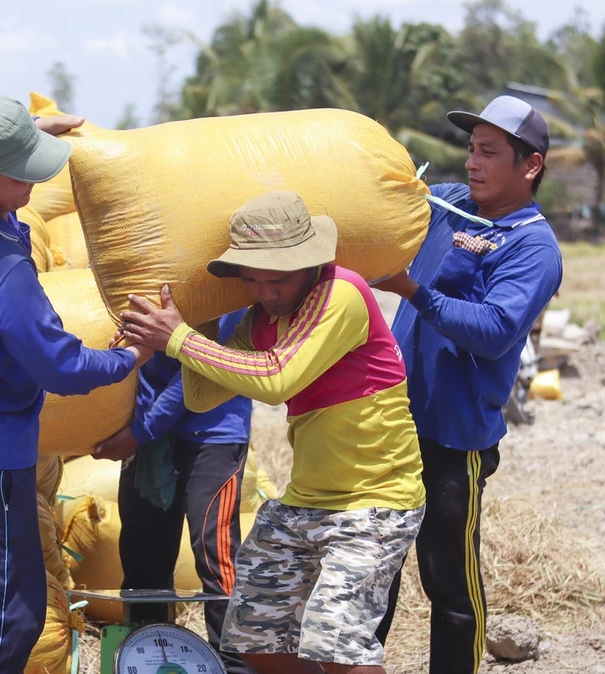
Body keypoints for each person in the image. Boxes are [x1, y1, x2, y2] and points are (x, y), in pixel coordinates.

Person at [118, 191, 426, 674]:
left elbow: (276, 379)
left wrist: (179, 339)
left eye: (278, 280)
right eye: (252, 280)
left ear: (309, 264)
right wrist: (195, 324)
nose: (265, 292)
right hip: (309, 497)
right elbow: (201, 397)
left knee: (335, 641)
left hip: (376, 499)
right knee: (255, 635)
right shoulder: (261, 318)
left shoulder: (340, 293)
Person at [0, 94, 153, 673]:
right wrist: (130, 357)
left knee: (3, 600)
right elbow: (60, 367)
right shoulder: (0, 272)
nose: (33, 187)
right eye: (21, 176)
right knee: (8, 615)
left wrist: (27, 129)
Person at [374, 95, 563, 674]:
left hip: (456, 439)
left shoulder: (533, 245)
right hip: (391, 423)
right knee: (372, 568)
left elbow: (496, 329)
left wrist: (413, 291)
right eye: (471, 149)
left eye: (489, 152)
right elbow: (386, 200)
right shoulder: (450, 203)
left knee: (448, 581)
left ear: (529, 166)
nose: (472, 163)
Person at [94, 309, 254, 674]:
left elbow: (200, 366)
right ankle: (141, 663)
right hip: (147, 431)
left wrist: (139, 432)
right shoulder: (143, 270)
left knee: (217, 561)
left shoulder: (221, 285)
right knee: (142, 565)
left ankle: (236, 667)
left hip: (213, 431)